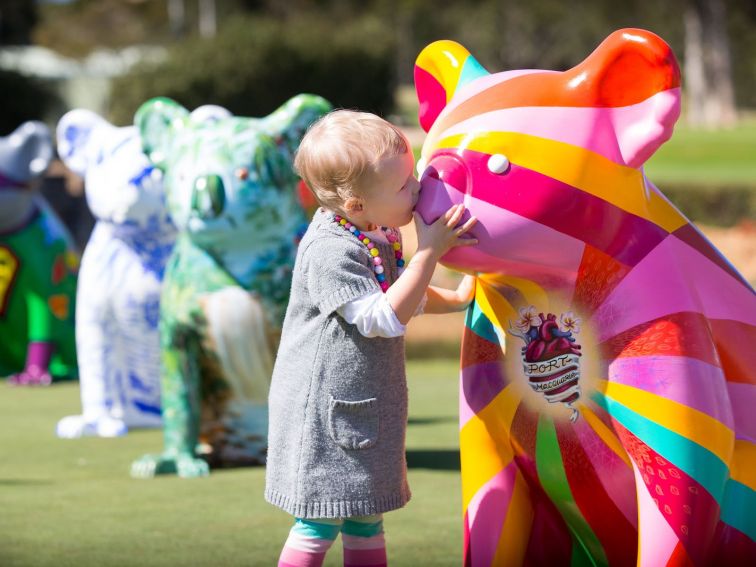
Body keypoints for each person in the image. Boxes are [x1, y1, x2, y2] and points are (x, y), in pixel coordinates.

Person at [265, 110, 477, 567]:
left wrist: (457, 297)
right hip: (323, 414)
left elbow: (404, 293)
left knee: (366, 515)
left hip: (362, 406)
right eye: (404, 186)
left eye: (413, 175)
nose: (417, 188)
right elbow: (383, 316)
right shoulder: (331, 249)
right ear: (357, 203)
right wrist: (429, 251)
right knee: (319, 520)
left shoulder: (374, 233)